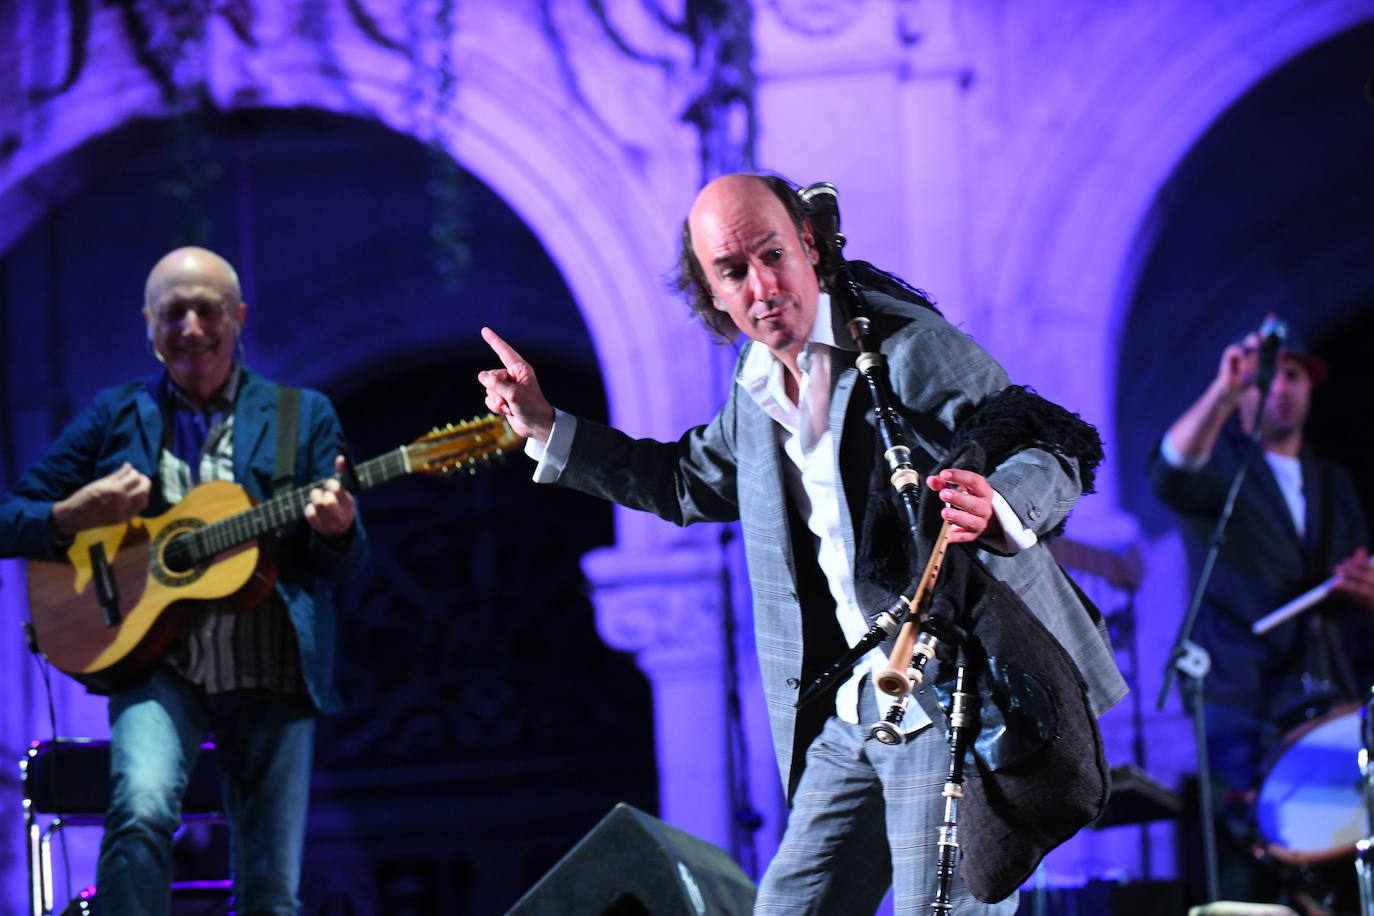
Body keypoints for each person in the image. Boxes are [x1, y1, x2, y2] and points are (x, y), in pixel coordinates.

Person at [478, 173, 1126, 914]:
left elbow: (1045, 443)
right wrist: (546, 427)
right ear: (712, 293)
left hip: (951, 697)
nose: (762, 285)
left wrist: (1001, 501)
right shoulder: (757, 384)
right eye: (733, 272)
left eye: (773, 255)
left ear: (810, 247)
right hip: (854, 706)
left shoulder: (903, 351)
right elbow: (687, 481)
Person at [0, 246, 367, 915]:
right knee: (138, 813)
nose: (192, 326)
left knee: (270, 886)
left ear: (239, 318)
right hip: (153, 659)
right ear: (148, 323)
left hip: (272, 662)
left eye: (208, 309)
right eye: (174, 311)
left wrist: (336, 530)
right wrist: (68, 515)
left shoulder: (300, 416)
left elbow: (337, 565)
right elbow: (7, 519)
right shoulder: (115, 415)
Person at [1149, 324, 1374, 904]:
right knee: (1246, 868)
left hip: (1323, 687)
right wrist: (1223, 393)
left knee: (1340, 850)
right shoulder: (1224, 469)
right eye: (1268, 379)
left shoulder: (1334, 484)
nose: (1282, 389)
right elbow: (1171, 469)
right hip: (1236, 693)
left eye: (1294, 376)